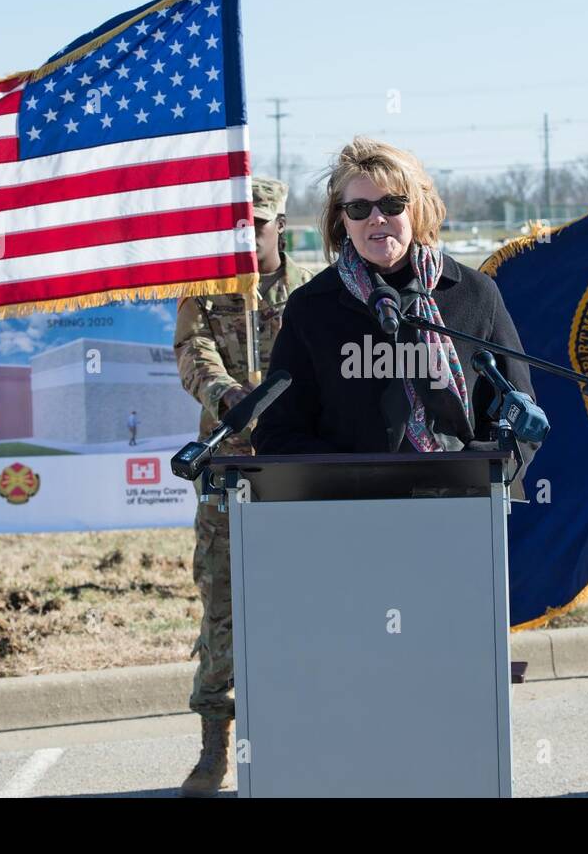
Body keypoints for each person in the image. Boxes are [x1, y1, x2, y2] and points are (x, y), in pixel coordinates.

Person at [252, 136, 537, 476]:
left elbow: (520, 418)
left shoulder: (475, 294)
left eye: (391, 205)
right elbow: (277, 431)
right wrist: (351, 474)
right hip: (349, 507)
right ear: (342, 220)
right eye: (359, 208)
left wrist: (474, 468)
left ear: (416, 209)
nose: (376, 218)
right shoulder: (312, 306)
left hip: (461, 504)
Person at [172, 176, 314, 796]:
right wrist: (227, 394)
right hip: (226, 474)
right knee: (222, 609)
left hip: (297, 472)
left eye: (253, 226)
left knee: (301, 607)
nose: (242, 237)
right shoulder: (204, 291)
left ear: (278, 225)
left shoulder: (314, 291)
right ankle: (214, 749)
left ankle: (295, 738)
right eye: (230, 226)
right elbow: (192, 354)